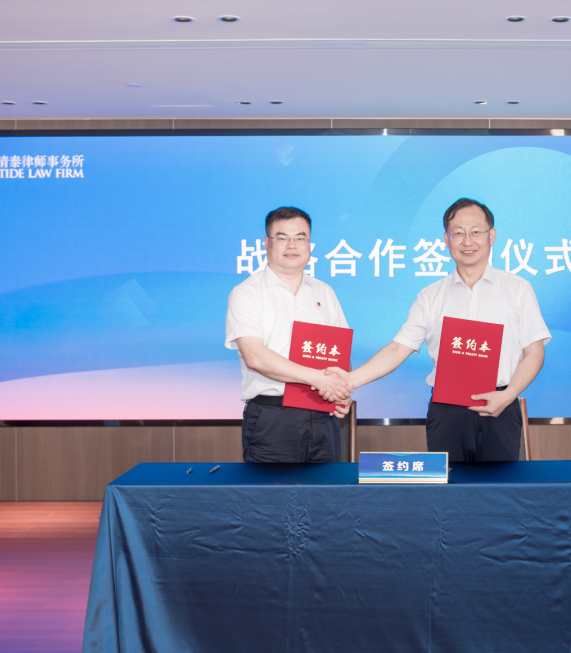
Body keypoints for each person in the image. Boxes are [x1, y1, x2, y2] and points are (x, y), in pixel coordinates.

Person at [334, 198, 551, 461]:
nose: (467, 241)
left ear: (491, 236)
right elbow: (398, 349)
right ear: (446, 240)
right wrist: (348, 382)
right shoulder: (430, 296)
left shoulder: (518, 289)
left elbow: (534, 353)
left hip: (501, 405)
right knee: (447, 486)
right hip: (447, 413)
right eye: (458, 233)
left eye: (475, 231)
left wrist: (509, 396)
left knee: (500, 486)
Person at [225, 206, 352, 463]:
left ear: (309, 244)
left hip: (323, 414)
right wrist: (318, 378)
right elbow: (255, 357)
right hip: (273, 417)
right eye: (282, 237)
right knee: (273, 490)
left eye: (300, 238)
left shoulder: (324, 292)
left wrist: (342, 391)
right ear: (267, 243)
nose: (292, 245)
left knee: (326, 489)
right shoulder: (247, 292)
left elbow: (340, 355)